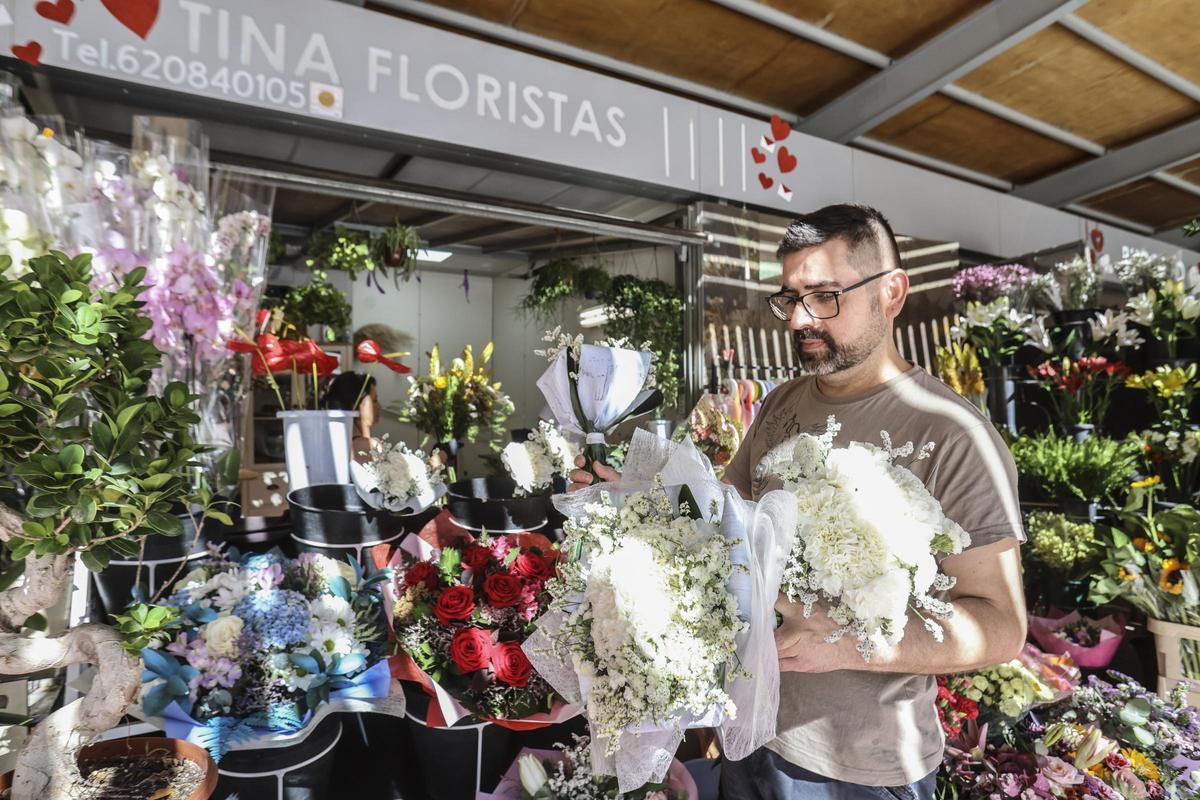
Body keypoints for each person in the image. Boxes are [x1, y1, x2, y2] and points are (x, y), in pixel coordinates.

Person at [570, 204, 1026, 800]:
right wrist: (633, 507)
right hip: (752, 733)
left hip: (859, 769)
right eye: (790, 297)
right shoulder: (783, 401)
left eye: (825, 295)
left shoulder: (953, 434)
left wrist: (846, 642)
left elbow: (1000, 625)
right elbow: (719, 523)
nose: (801, 318)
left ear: (892, 292)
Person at [324, 371, 379, 462]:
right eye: (375, 400)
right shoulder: (369, 447)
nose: (379, 406)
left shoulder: (332, 444)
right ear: (356, 405)